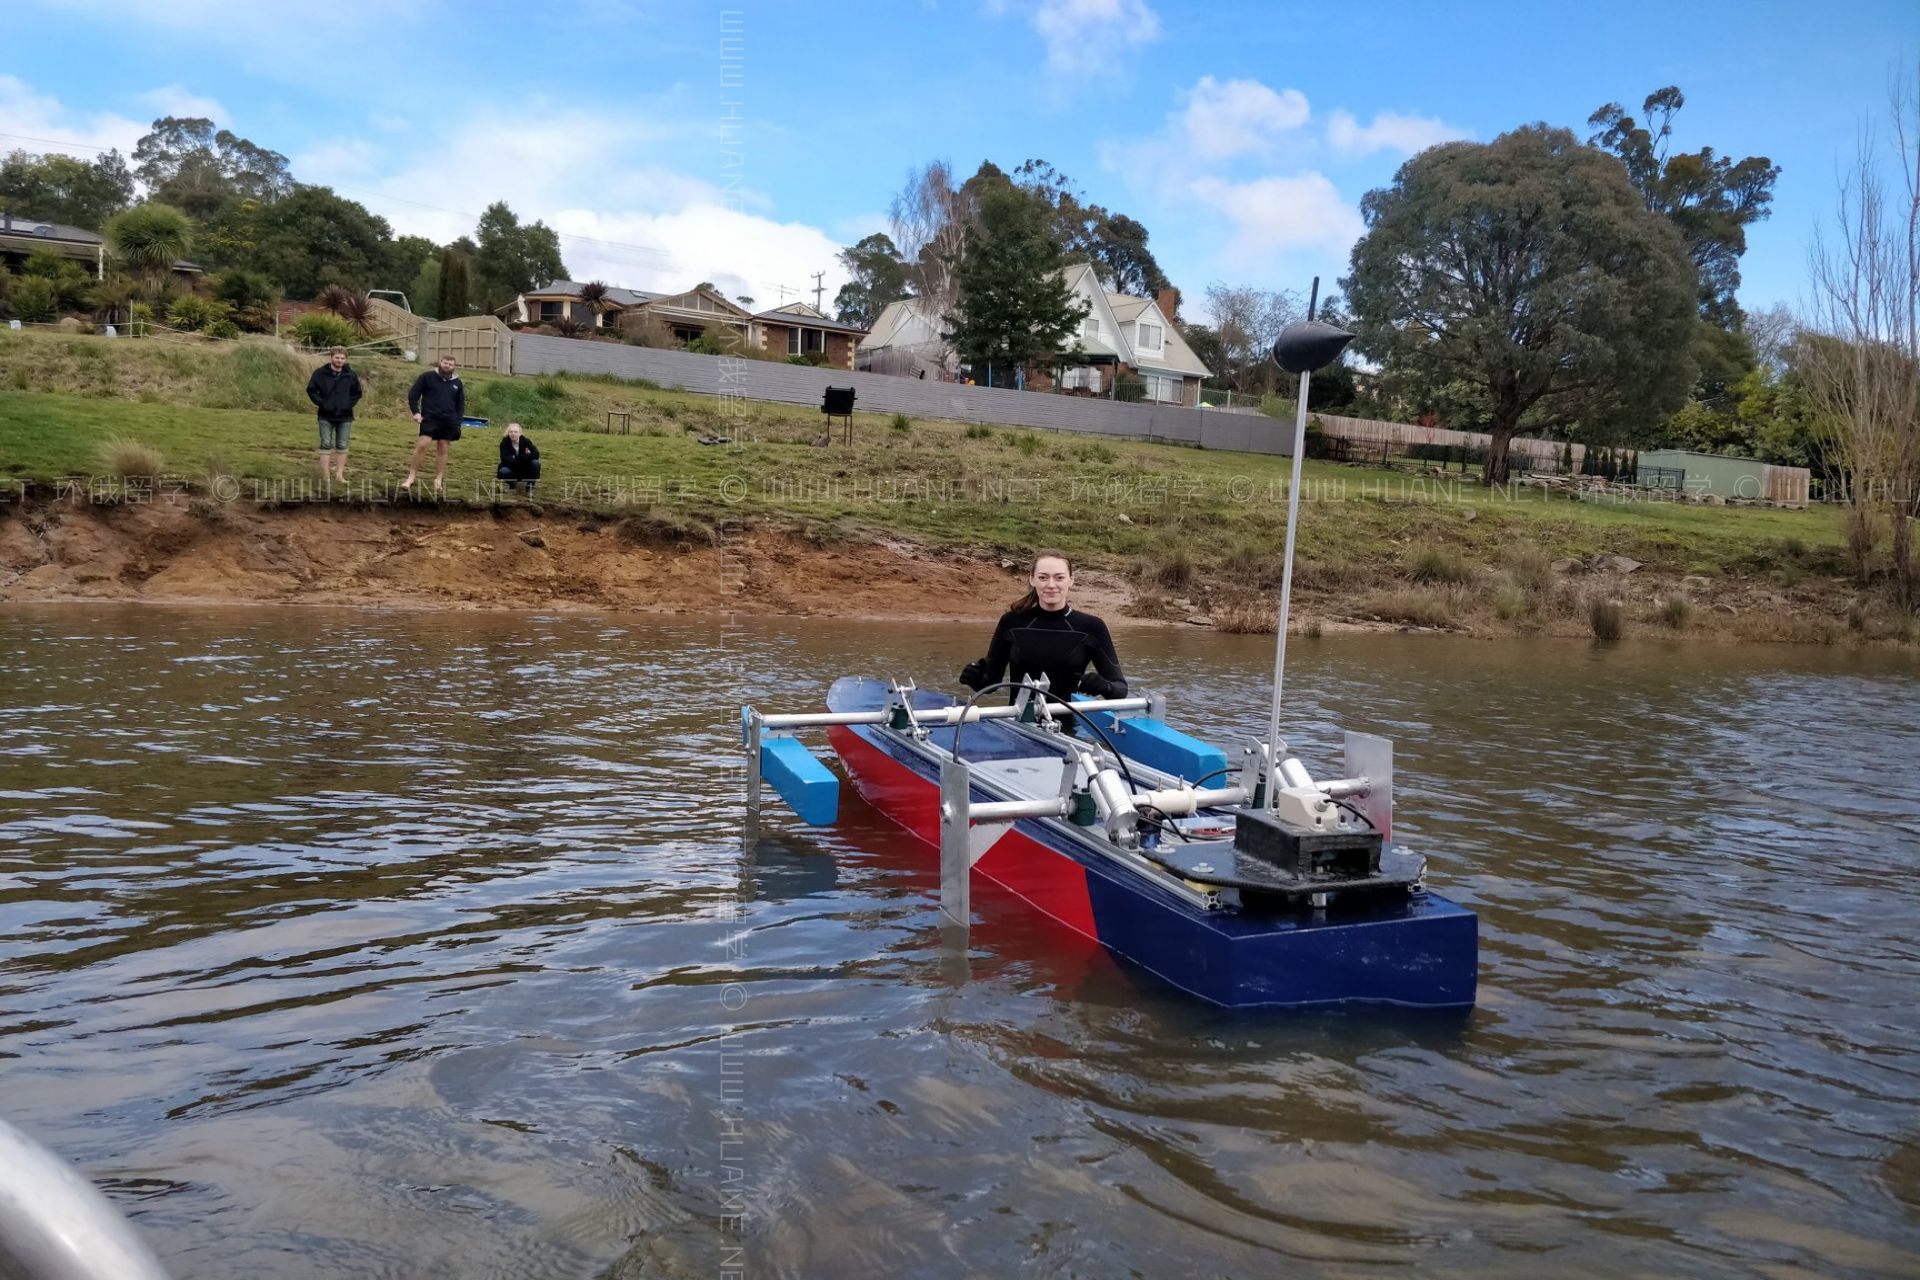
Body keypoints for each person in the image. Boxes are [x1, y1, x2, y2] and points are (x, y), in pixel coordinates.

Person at [959, 552, 1127, 718]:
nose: (1051, 584)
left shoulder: (1091, 627)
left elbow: (1120, 689)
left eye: (1059, 578)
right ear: (1032, 579)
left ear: (1071, 580)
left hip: (1065, 730)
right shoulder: (1012, 623)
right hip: (1018, 725)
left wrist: (1103, 686)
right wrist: (975, 678)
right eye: (1043, 577)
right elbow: (991, 683)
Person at [402, 354, 465, 495]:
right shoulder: (427, 377)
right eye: (445, 362)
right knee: (423, 444)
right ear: (440, 363)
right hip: (430, 418)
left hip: (449, 420)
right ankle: (411, 477)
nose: (447, 365)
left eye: (450, 364)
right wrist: (416, 412)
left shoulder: (457, 383)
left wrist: (458, 421)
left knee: (443, 447)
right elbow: (413, 395)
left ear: (454, 366)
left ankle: (438, 479)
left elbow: (460, 404)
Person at [305, 345, 362, 484]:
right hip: (325, 415)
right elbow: (311, 390)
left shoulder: (351, 375)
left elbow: (357, 393)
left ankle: (339, 475)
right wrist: (322, 403)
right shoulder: (320, 373)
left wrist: (347, 405)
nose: (339, 360)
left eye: (342, 358)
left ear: (345, 359)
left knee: (342, 445)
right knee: (325, 443)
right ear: (331, 357)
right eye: (337, 357)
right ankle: (326, 476)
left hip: (345, 416)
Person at [497, 421, 541, 493]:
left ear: (520, 433)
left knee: (535, 463)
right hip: (511, 468)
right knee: (503, 471)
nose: (513, 434)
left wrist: (518, 457)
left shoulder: (526, 442)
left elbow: (536, 454)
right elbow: (504, 458)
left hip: (525, 469)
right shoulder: (504, 443)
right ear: (508, 433)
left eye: (515, 432)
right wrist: (526, 457)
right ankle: (514, 485)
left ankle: (530, 486)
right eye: (511, 432)